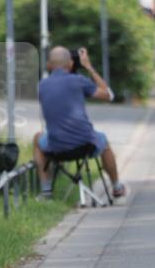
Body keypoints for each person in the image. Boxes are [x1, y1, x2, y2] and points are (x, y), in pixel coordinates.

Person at [33, 45, 126, 200]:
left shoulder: (41, 86)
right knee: (104, 142)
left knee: (37, 137)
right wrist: (88, 66)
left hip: (56, 146)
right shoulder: (79, 81)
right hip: (85, 144)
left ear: (49, 65)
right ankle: (116, 186)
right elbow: (108, 95)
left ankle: (46, 190)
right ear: (70, 64)